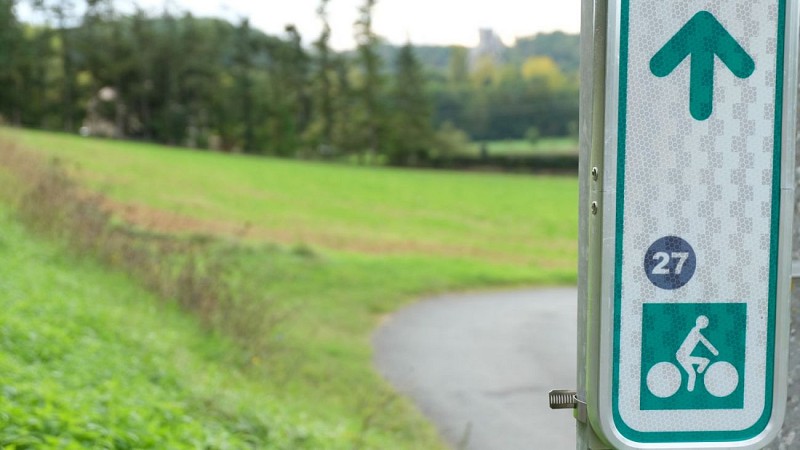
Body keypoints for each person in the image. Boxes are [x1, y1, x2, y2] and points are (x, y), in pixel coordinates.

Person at [675, 315, 719, 392]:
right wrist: (714, 351)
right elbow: (705, 342)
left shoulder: (696, 332)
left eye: (704, 323)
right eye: (702, 322)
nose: (703, 324)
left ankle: (698, 373)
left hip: (682, 356)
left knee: (698, 368)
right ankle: (690, 389)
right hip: (681, 356)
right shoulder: (695, 332)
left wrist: (714, 351)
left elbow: (705, 342)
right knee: (693, 373)